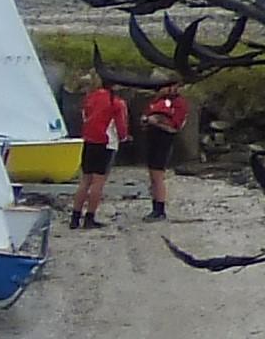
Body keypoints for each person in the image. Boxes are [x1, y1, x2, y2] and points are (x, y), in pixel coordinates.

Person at [73, 71, 127, 226]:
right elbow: (121, 125)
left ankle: (75, 217)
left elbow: (84, 116)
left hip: (89, 140)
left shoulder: (91, 97)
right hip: (106, 142)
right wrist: (123, 138)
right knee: (98, 182)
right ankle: (90, 217)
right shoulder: (116, 102)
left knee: (85, 180)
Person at [133, 78, 187, 216]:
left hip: (164, 140)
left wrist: (157, 123)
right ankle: (155, 205)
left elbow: (175, 127)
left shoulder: (179, 103)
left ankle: (160, 208)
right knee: (152, 175)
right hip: (152, 139)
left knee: (158, 175)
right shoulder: (157, 101)